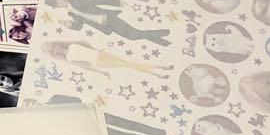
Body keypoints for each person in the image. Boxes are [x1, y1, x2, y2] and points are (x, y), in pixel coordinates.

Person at [43, 0, 169, 45]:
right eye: (57, 3)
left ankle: (165, 35)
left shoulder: (77, 0)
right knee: (133, 35)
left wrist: (117, 2)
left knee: (133, 35)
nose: (60, 2)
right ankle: (165, 39)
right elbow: (79, 26)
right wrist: (70, 25)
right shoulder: (71, 14)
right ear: (56, 7)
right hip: (105, 26)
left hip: (108, 18)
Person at [40, 40, 173, 80]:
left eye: (53, 46)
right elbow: (87, 67)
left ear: (55, 44)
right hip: (100, 62)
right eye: (52, 51)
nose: (55, 49)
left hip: (102, 54)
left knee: (129, 64)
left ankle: (158, 73)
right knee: (129, 64)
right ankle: (160, 70)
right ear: (53, 54)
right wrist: (103, 73)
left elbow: (87, 45)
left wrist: (98, 49)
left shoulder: (72, 45)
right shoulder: (69, 59)